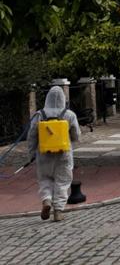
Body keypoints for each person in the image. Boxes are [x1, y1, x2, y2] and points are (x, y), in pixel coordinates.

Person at [27, 86, 80, 222]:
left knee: (45, 179)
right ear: (63, 98)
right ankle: (58, 210)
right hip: (63, 154)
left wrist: (31, 153)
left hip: (44, 154)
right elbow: (76, 135)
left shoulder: (39, 115)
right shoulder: (69, 114)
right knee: (62, 181)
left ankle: (46, 200)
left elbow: (32, 136)